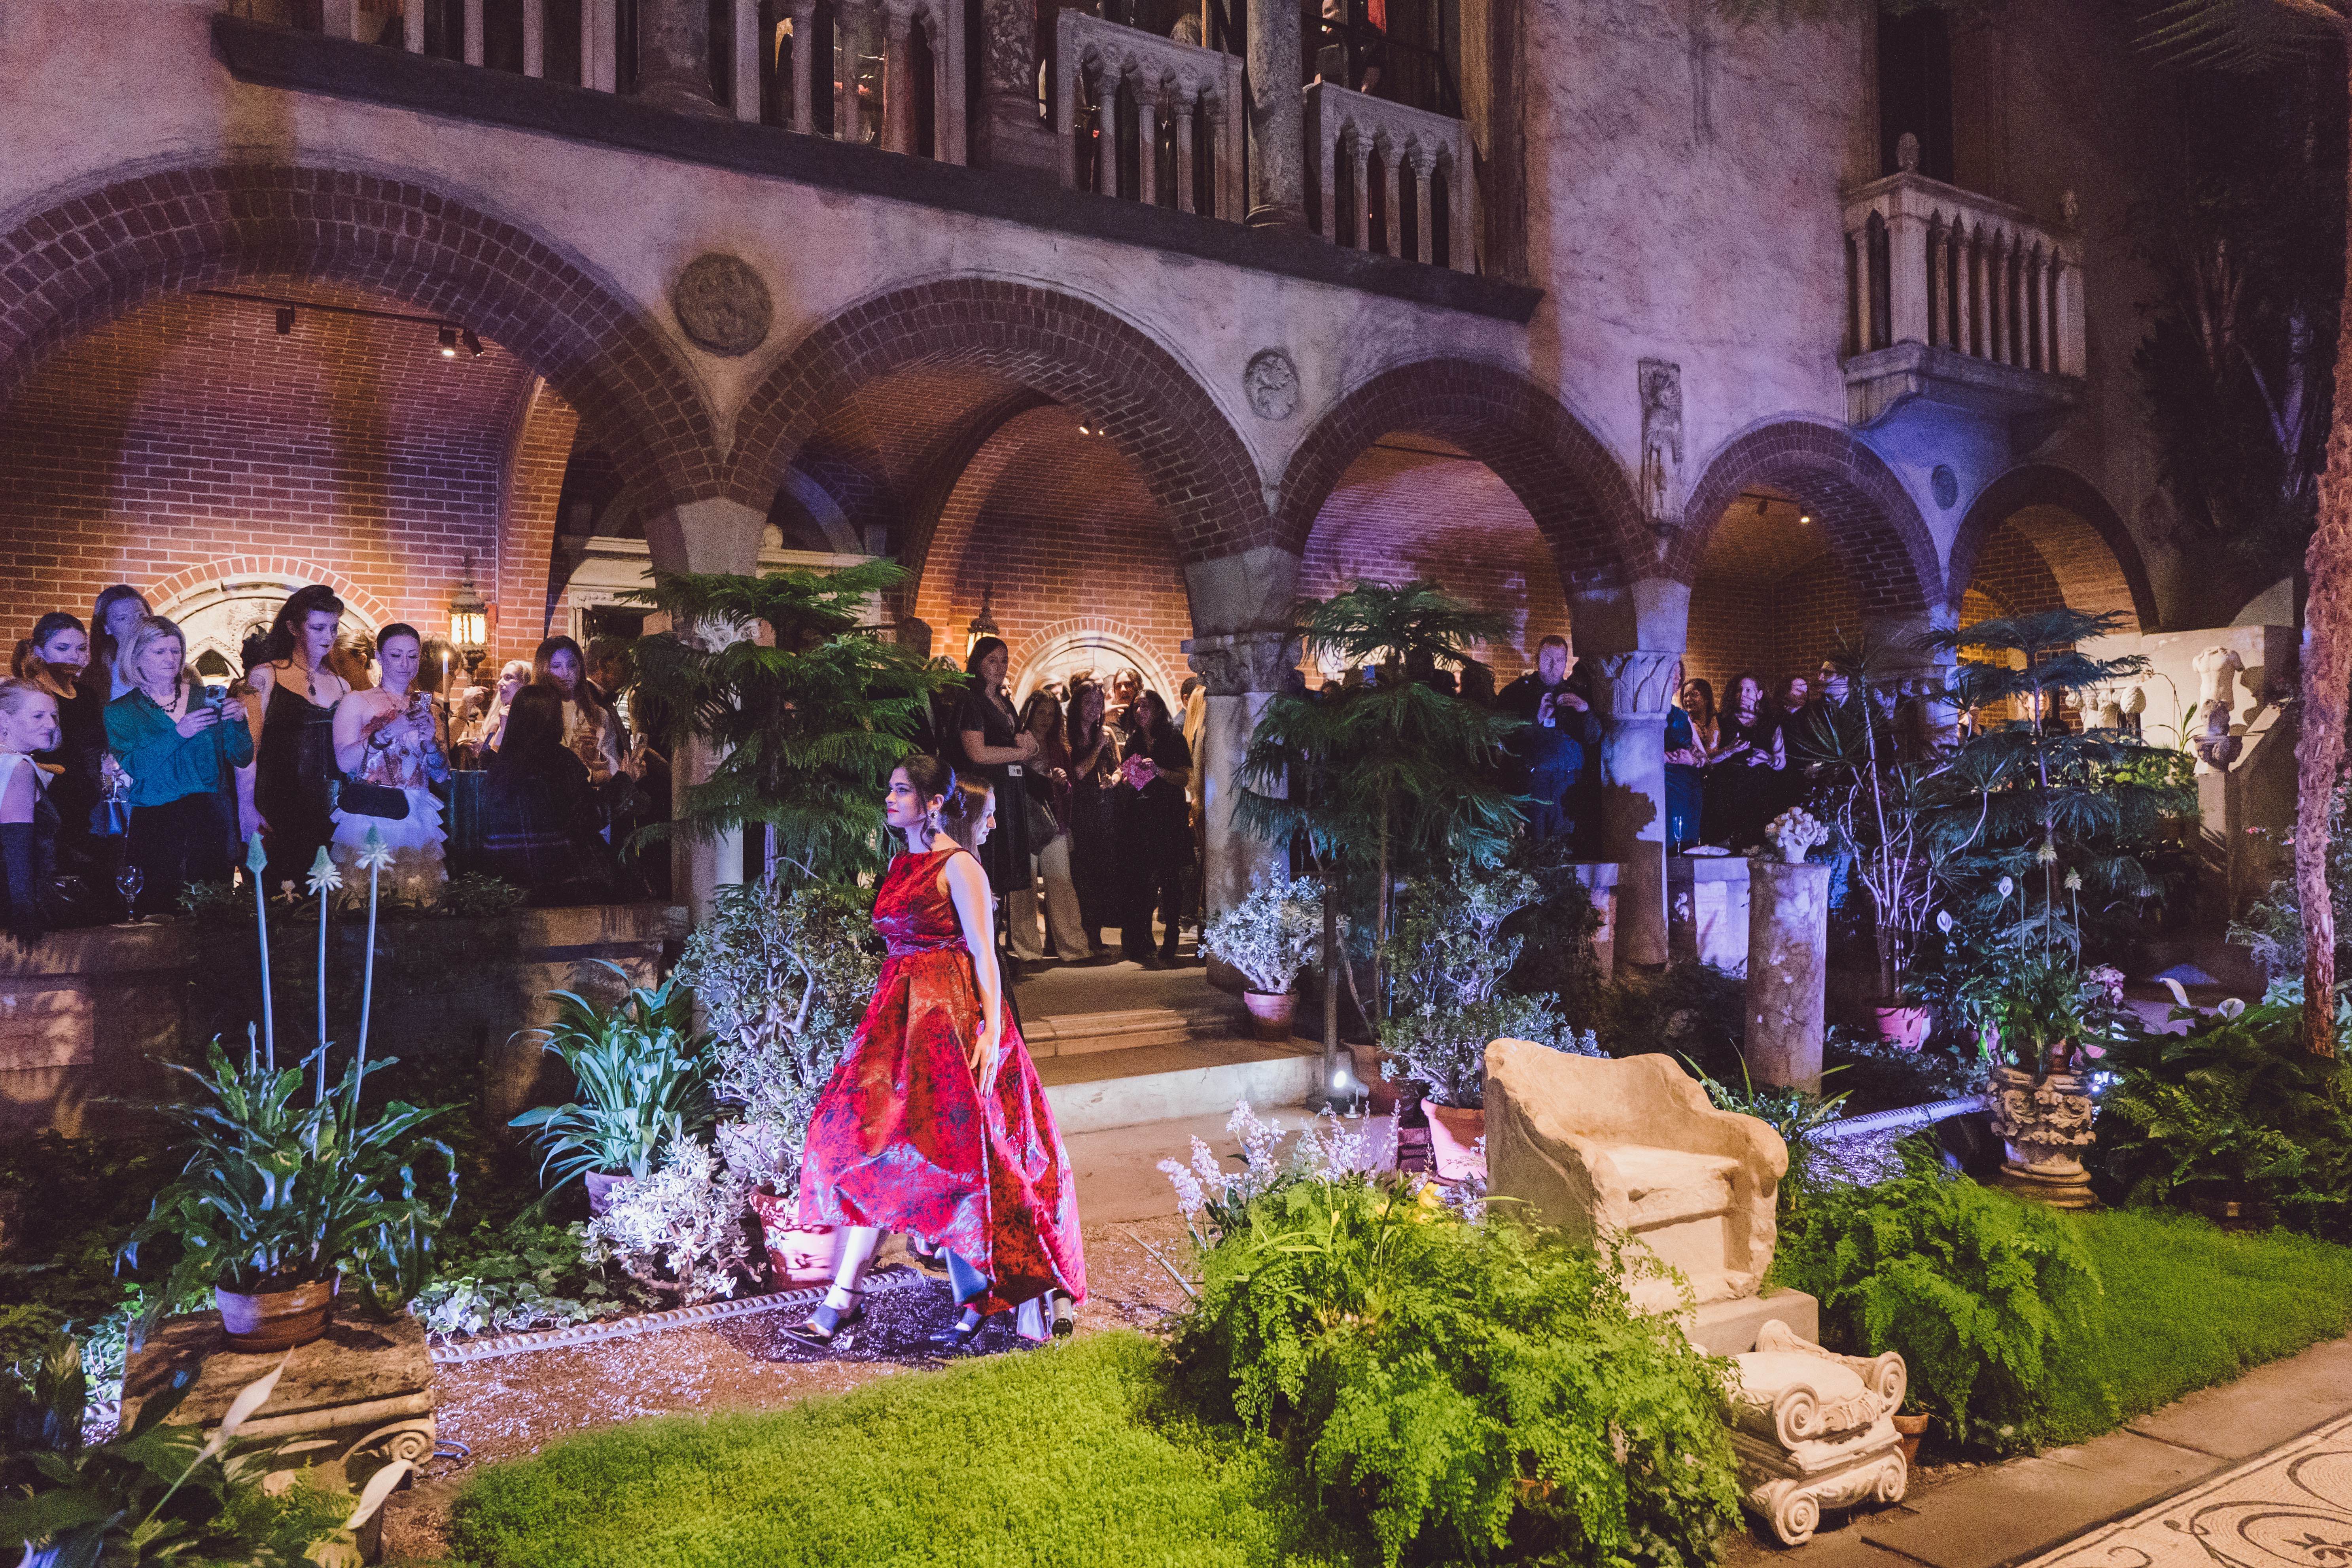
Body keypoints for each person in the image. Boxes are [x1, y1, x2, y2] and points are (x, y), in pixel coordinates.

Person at [790, 757, 1086, 1352]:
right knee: (861, 1146)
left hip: (948, 1022)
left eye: (901, 789)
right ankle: (847, 1295)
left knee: (955, 1158)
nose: (889, 797)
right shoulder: (901, 863)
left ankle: (897, 1298)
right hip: (895, 1020)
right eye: (889, 787)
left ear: (931, 802)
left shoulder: (961, 867)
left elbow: (985, 956)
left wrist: (989, 1031)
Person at [105, 616, 254, 914]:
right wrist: (178, 733)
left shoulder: (207, 698)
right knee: (156, 907)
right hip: (156, 820)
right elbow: (135, 766)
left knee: (211, 908)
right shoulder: (120, 711)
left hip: (210, 815)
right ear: (136, 657)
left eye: (175, 651)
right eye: (159, 652)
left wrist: (239, 723)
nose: (170, 659)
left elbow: (241, 757)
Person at [242, 586, 352, 894]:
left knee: (326, 897)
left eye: (334, 627)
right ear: (292, 628)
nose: (328, 636)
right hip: (279, 802)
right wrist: (246, 806)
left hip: (331, 804)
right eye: (318, 628)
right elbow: (248, 748)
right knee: (279, 898)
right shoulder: (265, 675)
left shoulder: (342, 684)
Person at [330, 623, 451, 900]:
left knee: (416, 900)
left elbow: (443, 775)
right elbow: (343, 761)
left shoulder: (431, 709)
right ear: (379, 656)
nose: (405, 664)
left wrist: (431, 743)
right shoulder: (357, 701)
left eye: (412, 656)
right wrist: (385, 733)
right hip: (371, 813)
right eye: (396, 655)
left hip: (417, 812)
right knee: (365, 899)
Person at [476, 684, 609, 900]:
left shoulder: (500, 765)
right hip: (562, 882)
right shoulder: (560, 761)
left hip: (507, 884)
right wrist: (625, 780)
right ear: (553, 719)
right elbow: (590, 818)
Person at [954, 637, 1040, 960]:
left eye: (1004, 660)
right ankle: (980, 946)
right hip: (984, 794)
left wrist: (1028, 748)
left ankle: (998, 944)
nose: (1000, 667)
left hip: (1010, 793)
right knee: (985, 863)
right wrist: (1020, 751)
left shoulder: (1006, 703)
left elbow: (1027, 750)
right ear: (977, 662)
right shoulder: (970, 701)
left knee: (1005, 869)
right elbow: (975, 751)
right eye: (992, 660)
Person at [1113, 689, 1193, 968]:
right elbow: (1133, 779)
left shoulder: (1173, 738)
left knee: (1169, 878)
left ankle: (1171, 935)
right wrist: (1125, 777)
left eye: (1145, 706)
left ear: (1158, 710)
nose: (1139, 711)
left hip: (1167, 816)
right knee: (1139, 879)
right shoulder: (1135, 739)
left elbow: (1184, 777)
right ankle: (1140, 937)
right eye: (1136, 707)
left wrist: (1158, 770)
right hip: (1139, 816)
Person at [1496, 636, 1595, 840]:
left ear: (1566, 662)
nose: (1554, 666)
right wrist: (1537, 718)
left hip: (1569, 785)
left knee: (1565, 847)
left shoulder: (1575, 694)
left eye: (1560, 660)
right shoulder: (1517, 693)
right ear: (1538, 659)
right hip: (1533, 783)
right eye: (1548, 658)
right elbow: (1506, 737)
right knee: (1534, 845)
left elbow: (1594, 737)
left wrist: (1585, 711)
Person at [1018, 691, 1092, 961]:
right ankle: (1027, 950)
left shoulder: (1057, 747)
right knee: (1022, 887)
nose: (1046, 719)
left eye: (1051, 714)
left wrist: (1061, 781)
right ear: (1030, 712)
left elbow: (1070, 787)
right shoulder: (1017, 742)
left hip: (1053, 820)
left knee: (1061, 883)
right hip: (1024, 821)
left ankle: (1072, 947)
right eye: (1041, 713)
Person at [0, 679, 62, 946]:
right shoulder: (19, 767)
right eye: (38, 715)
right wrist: (25, 910)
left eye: (53, 715)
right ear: (4, 718)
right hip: (16, 900)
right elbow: (16, 845)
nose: (51, 724)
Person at [1063, 679, 1120, 954]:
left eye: (1098, 703)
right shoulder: (1068, 735)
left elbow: (1118, 768)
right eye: (1088, 702)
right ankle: (1077, 937)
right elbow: (1077, 773)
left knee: (1099, 876)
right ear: (1077, 704)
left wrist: (1114, 778)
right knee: (1079, 875)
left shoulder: (1105, 733)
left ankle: (1095, 936)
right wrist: (1097, 748)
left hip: (1101, 809)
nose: (1094, 708)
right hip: (1077, 811)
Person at [532, 636, 630, 787]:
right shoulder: (534, 710)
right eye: (557, 667)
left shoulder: (598, 713)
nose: (566, 673)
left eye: (572, 665)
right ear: (544, 669)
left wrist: (597, 757)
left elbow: (613, 765)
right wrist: (570, 754)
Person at [1703, 672, 1784, 851]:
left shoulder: (1771, 723)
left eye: (1748, 690)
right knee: (1724, 846)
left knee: (1757, 845)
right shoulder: (1721, 720)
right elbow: (1708, 757)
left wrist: (1767, 758)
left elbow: (1781, 762)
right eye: (1739, 690)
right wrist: (1729, 750)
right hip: (1727, 789)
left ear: (1760, 694)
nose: (1743, 694)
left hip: (1760, 791)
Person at [1662, 663, 1707, 852]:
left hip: (1688, 785)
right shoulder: (1652, 714)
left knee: (1688, 842)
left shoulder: (1682, 715)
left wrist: (1693, 759)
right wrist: (1671, 757)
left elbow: (1703, 756)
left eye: (1679, 675)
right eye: (1672, 674)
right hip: (1667, 783)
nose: (1676, 679)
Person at [456, 659, 532, 762]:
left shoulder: (531, 719)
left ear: (526, 684)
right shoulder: (498, 718)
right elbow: (488, 761)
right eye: (501, 678)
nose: (500, 683)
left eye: (508, 678)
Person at [88, 586, 152, 703]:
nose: (135, 624)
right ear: (106, 627)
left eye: (141, 616)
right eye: (122, 619)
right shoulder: (94, 678)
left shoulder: (182, 671)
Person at [1681, 677, 1719, 754]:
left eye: (1694, 695)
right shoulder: (1683, 724)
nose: (1688, 699)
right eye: (1685, 696)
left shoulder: (1718, 721)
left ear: (1706, 698)